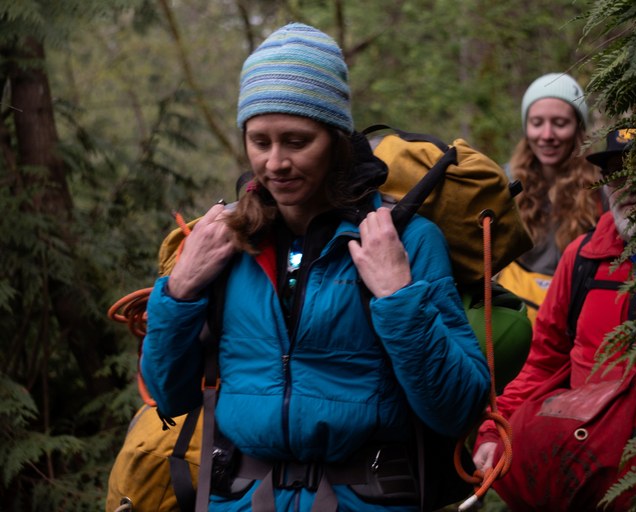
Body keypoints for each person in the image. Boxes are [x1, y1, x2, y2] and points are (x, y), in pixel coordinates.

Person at [140, 23, 490, 512]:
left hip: (365, 498)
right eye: (259, 141)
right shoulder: (228, 244)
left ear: (336, 139)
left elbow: (455, 409)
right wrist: (178, 290)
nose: (275, 163)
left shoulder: (405, 240)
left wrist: (397, 297)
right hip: (239, 497)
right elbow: (168, 393)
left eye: (296, 141)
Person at [473, 128, 636, 510]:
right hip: (584, 477)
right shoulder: (583, 257)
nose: (628, 185)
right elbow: (540, 364)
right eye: (617, 174)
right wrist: (492, 431)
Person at [496, 73, 603, 324]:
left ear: (579, 128)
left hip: (576, 317)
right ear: (526, 128)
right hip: (514, 320)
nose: (547, 135)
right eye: (536, 122)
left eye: (559, 123)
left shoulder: (603, 185)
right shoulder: (502, 183)